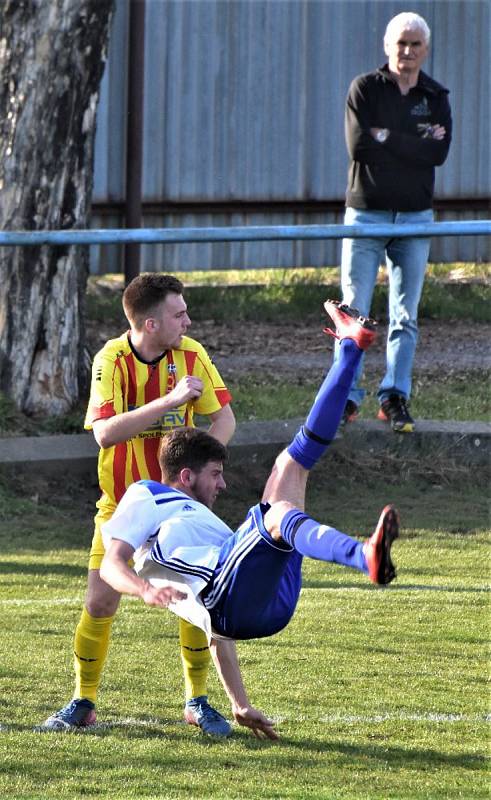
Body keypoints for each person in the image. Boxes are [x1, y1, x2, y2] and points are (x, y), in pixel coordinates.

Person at [99, 300, 399, 740]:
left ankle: (349, 350)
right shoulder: (147, 495)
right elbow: (111, 564)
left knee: (293, 464)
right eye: (215, 474)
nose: (222, 485)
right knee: (277, 513)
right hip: (232, 602)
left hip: (256, 603)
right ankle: (364, 556)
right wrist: (144, 588)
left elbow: (219, 634)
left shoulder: (208, 525)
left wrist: (239, 703)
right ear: (184, 476)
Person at [41, 273, 236, 737]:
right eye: (178, 314)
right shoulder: (110, 360)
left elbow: (223, 417)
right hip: (122, 507)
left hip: (179, 510)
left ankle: (198, 701)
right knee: (100, 601)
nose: (187, 320)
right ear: (150, 324)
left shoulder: (192, 354)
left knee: (196, 603)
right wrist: (169, 402)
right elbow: (105, 433)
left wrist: (202, 466)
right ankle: (83, 701)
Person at [336, 11, 452, 432]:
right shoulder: (364, 89)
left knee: (405, 315)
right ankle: (343, 399)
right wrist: (414, 141)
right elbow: (359, 145)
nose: (407, 51)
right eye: (400, 43)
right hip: (366, 213)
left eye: (415, 44)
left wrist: (388, 137)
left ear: (426, 49)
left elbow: (437, 154)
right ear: (388, 47)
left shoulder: (436, 96)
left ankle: (395, 396)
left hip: (415, 217)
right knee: (354, 312)